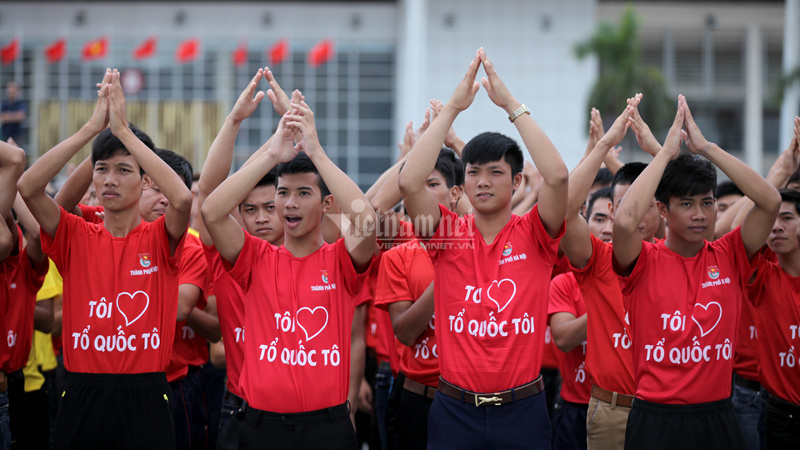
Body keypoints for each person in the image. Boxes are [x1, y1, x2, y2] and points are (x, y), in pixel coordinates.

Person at [398, 48, 568, 448]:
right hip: (454, 411)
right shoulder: (445, 234)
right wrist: (453, 108)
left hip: (522, 411)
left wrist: (511, 105)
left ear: (518, 182)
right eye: (474, 172)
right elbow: (409, 184)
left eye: (496, 172)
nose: (483, 181)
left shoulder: (536, 233)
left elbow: (558, 178)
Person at [17, 69, 192, 449]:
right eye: (102, 170)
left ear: (146, 181)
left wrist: (125, 132)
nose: (110, 179)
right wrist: (93, 132)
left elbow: (182, 200)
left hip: (146, 394)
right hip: (82, 392)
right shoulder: (74, 234)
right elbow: (29, 187)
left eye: (123, 170)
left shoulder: (160, 238)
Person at [201, 95, 376, 448]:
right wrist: (270, 154)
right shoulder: (255, 258)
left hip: (328, 426)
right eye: (283, 193)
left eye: (303, 193)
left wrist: (317, 153)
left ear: (326, 203)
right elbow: (212, 210)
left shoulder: (341, 260)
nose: (290, 203)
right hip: (261, 427)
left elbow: (366, 219)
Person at [612, 95, 780, 450]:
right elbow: (625, 220)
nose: (700, 214)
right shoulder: (643, 260)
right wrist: (665, 154)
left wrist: (706, 148)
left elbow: (770, 201)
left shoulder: (731, 254)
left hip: (717, 416)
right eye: (686, 204)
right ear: (662, 209)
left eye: (707, 203)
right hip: (654, 418)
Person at [1, 82, 27, 148]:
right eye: (10, 92)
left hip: (16, 135)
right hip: (6, 134)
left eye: (13, 92)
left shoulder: (20, 103)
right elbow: (2, 117)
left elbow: (20, 116)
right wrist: (14, 116)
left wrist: (7, 116)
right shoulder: (5, 104)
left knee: (17, 153)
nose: (11, 94)